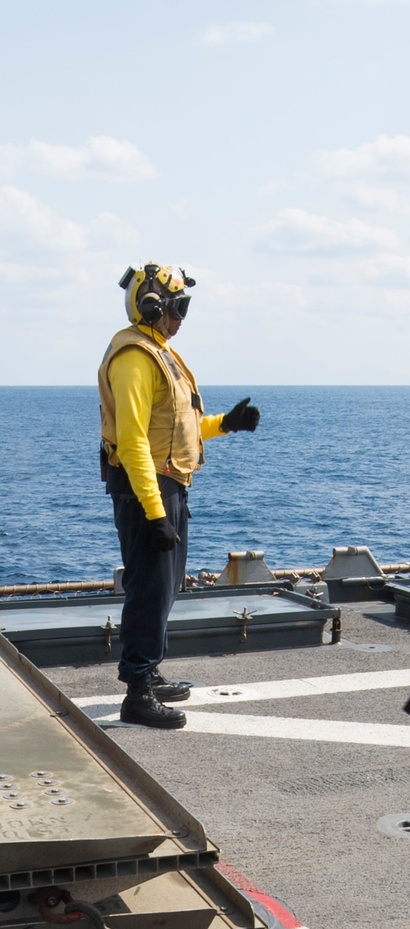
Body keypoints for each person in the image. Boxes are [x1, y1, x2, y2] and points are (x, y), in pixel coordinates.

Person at [98, 263, 260, 729]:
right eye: (179, 307)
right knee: (149, 588)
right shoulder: (134, 359)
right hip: (145, 489)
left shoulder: (159, 354)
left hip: (167, 483)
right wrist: (154, 514)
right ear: (154, 307)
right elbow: (132, 445)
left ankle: (147, 671)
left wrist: (225, 424)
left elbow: (178, 430)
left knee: (164, 587)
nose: (183, 317)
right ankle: (138, 693)